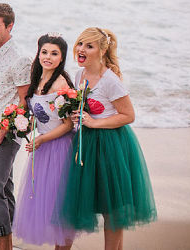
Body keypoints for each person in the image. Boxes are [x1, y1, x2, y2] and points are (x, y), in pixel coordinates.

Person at [61, 28, 156, 249]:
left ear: (102, 51)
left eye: (89, 46)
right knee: (88, 199)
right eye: (80, 43)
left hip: (110, 145)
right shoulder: (79, 75)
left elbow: (128, 115)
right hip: (86, 144)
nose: (81, 49)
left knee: (112, 208)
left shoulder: (110, 80)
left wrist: (94, 123)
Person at [12, 33, 76, 249]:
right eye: (44, 52)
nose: (48, 57)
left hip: (60, 148)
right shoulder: (37, 80)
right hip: (43, 148)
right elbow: (40, 115)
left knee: (60, 208)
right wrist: (26, 125)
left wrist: (41, 139)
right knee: (46, 205)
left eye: (54, 53)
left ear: (62, 57)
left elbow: (68, 125)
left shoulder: (61, 84)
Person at [0, 3, 31, 250]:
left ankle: (4, 245)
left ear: (10, 26)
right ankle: (9, 244)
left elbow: (24, 101)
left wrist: (2, 131)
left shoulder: (19, 58)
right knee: (4, 188)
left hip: (5, 134)